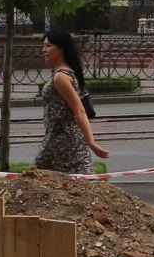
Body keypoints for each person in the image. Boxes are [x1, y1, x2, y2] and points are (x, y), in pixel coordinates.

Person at [34, 28, 107, 174]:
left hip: (63, 143)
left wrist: (91, 142)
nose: (44, 50)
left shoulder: (61, 77)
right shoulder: (65, 73)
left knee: (43, 180)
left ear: (61, 49)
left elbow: (79, 111)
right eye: (43, 45)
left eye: (48, 46)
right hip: (62, 140)